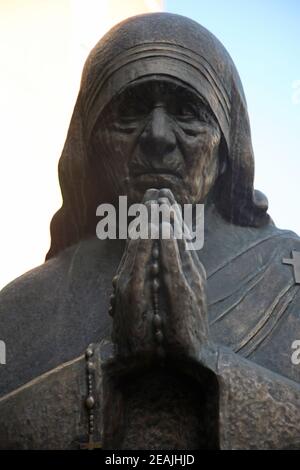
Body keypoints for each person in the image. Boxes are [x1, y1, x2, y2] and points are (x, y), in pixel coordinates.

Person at [1, 12, 300, 449]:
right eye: (130, 111)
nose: (158, 136)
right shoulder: (19, 310)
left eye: (188, 112)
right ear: (89, 139)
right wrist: (105, 368)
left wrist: (206, 363)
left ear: (227, 146)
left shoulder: (288, 277)